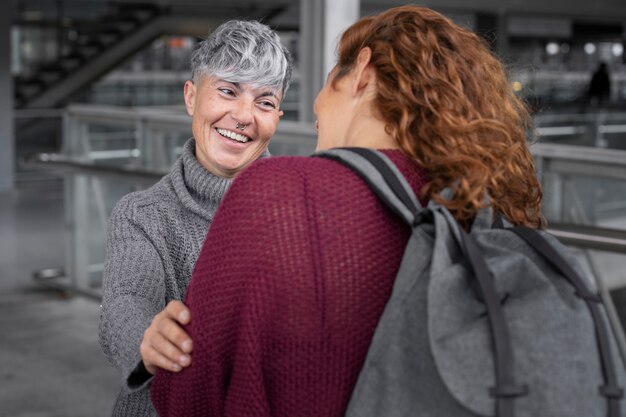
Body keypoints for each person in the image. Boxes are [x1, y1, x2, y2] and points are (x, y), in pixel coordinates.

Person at [151, 6, 543, 417]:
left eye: (325, 86)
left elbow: (185, 395)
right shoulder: (470, 211)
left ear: (363, 74)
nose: (317, 117)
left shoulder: (279, 194)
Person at [98, 19, 292, 417]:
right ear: (191, 97)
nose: (243, 115)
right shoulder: (142, 215)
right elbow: (126, 300)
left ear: (278, 116)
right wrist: (148, 338)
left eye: (265, 101)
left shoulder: (296, 211)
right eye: (227, 91)